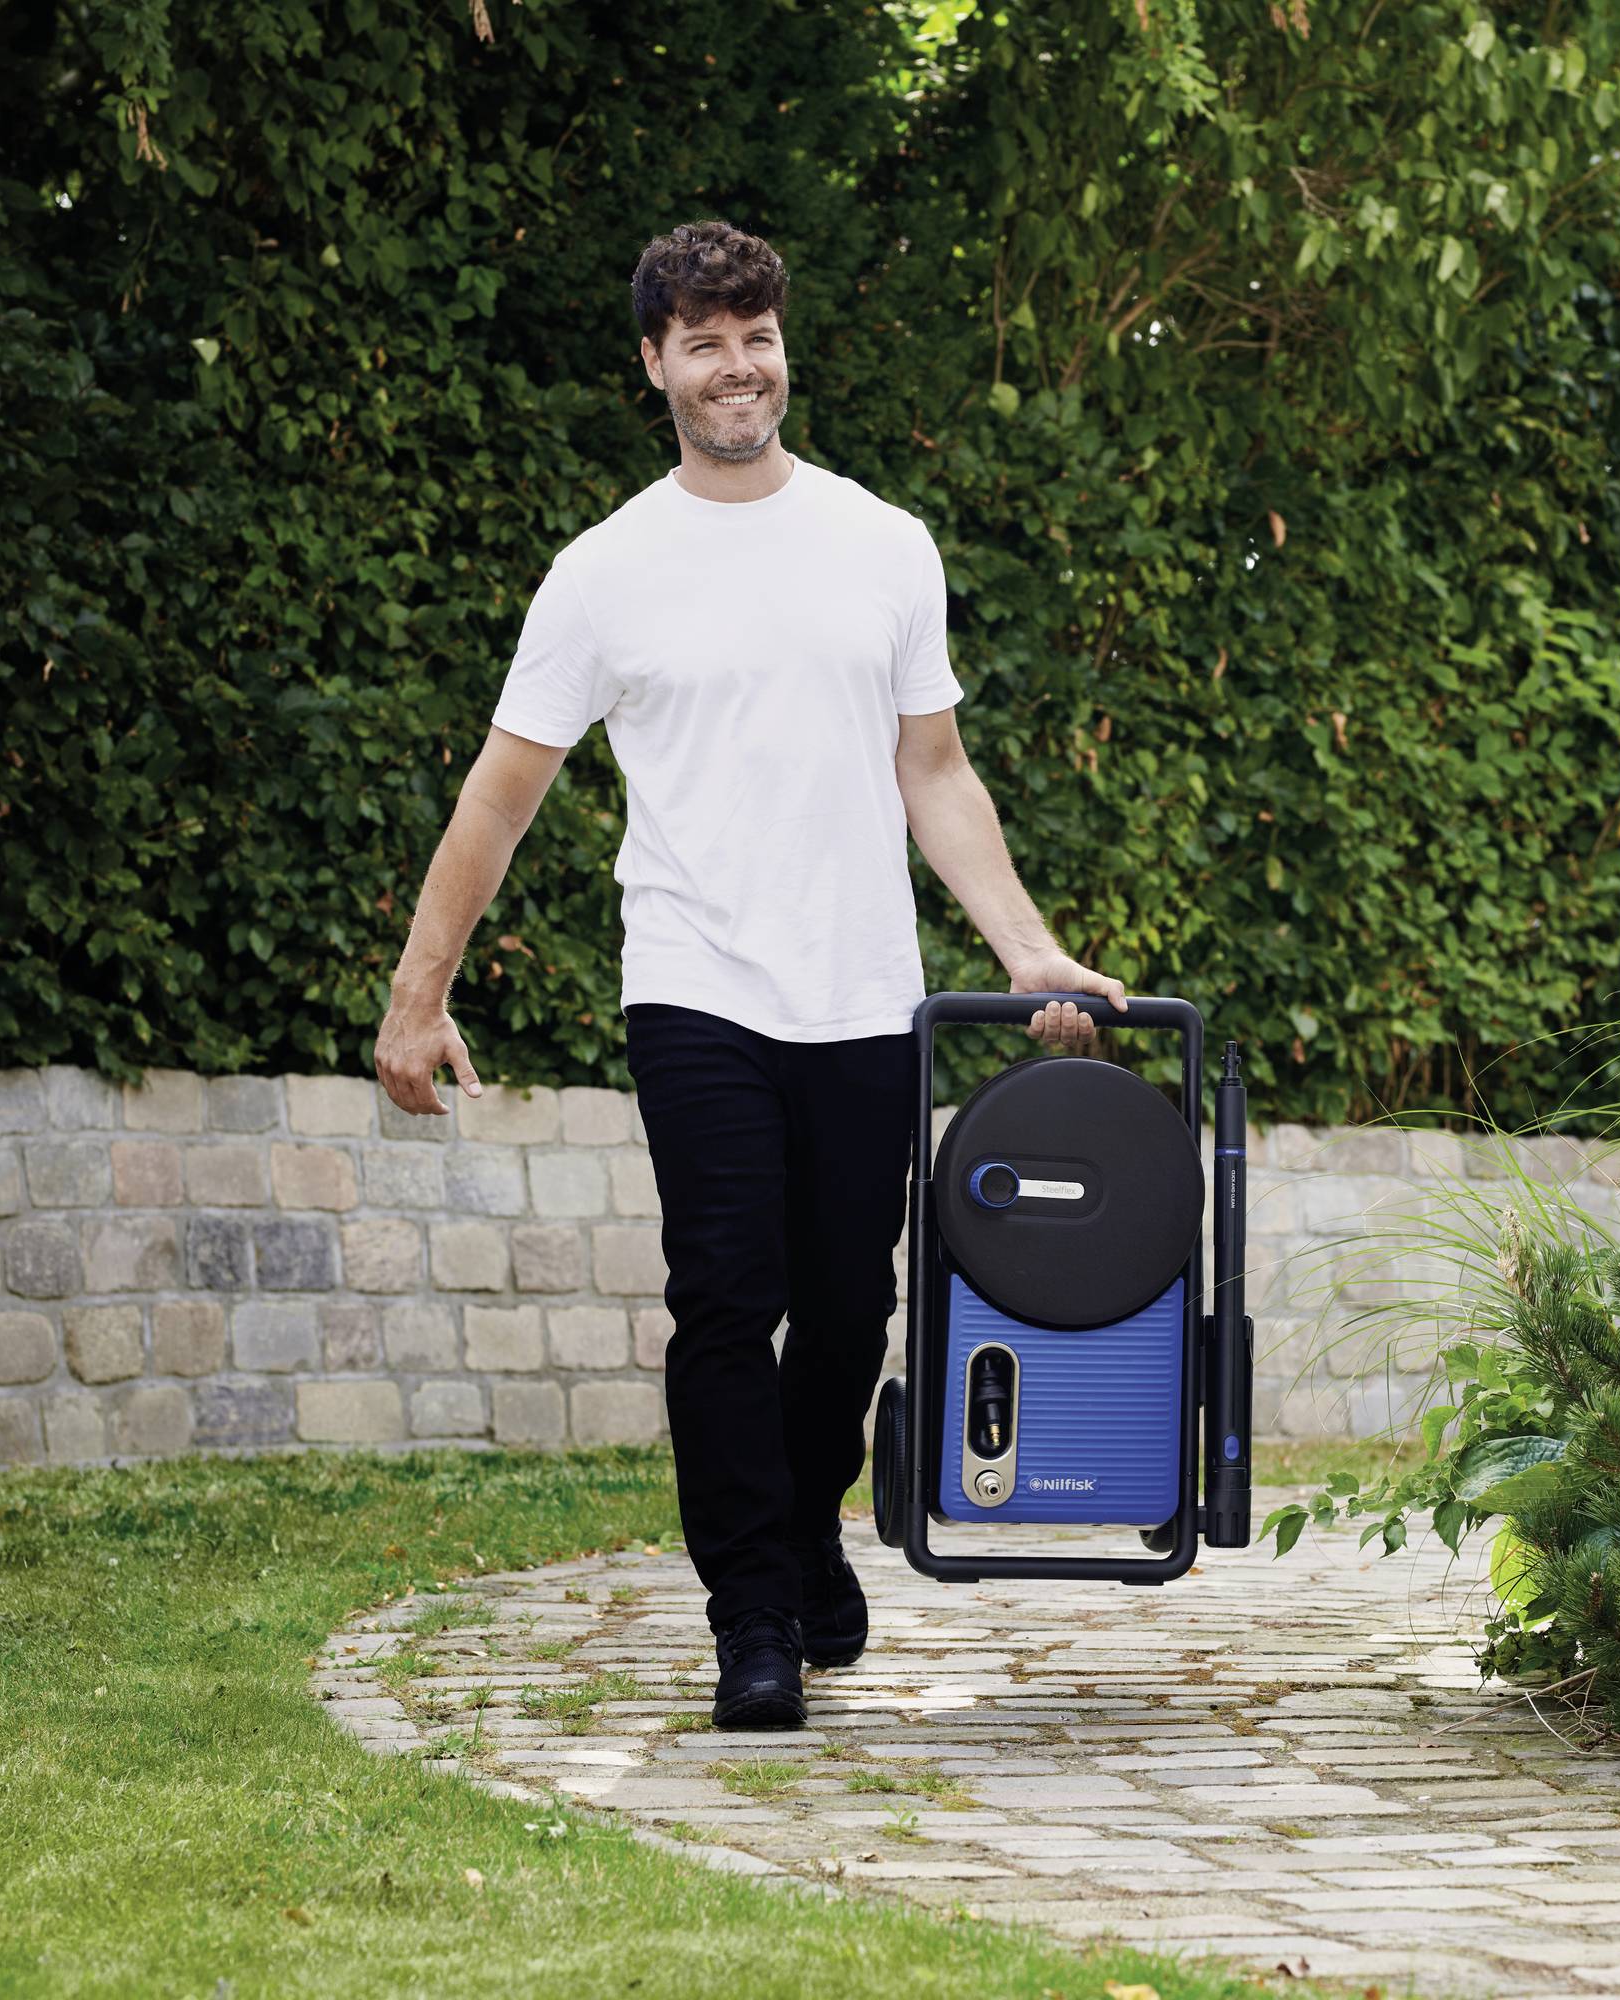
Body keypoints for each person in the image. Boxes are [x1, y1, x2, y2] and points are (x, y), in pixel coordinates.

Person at [372, 219, 1122, 1729]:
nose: (736, 365)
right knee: (727, 1299)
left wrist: (1025, 946)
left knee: (852, 1306)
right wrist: (418, 989)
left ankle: (797, 1523)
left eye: (755, 334)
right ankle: (753, 1621)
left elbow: (937, 772)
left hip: (862, 993)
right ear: (654, 364)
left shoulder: (882, 543)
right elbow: (499, 795)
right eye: (703, 341)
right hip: (696, 985)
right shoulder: (604, 574)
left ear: (785, 345)